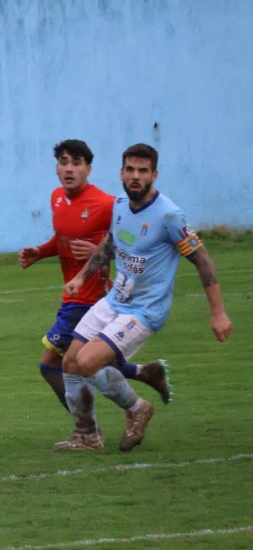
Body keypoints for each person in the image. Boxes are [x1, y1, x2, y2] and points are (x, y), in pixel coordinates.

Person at [56, 143, 232, 452]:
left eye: (143, 171)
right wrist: (81, 277)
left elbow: (203, 260)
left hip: (144, 312)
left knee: (86, 362)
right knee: (69, 361)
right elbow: (111, 244)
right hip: (115, 300)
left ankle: (137, 408)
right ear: (121, 172)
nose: (136, 176)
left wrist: (218, 313)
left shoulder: (169, 216)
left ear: (154, 175)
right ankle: (87, 436)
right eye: (130, 170)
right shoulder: (121, 204)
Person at [18, 139, 171, 411]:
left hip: (91, 298)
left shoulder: (105, 204)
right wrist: (40, 252)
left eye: (76, 163)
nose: (69, 169)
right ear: (56, 169)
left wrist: (97, 251)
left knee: (51, 364)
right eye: (63, 163)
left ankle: (89, 427)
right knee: (83, 360)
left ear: (88, 169)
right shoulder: (57, 197)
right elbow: (64, 238)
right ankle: (143, 373)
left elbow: (128, 237)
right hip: (73, 295)